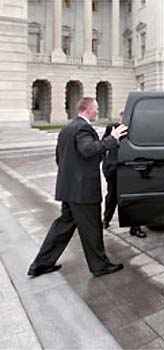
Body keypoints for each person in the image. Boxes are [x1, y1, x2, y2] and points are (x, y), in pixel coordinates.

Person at [27, 97, 128, 278]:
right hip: (83, 191)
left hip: (69, 189)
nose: (97, 112)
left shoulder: (68, 128)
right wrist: (112, 138)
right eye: (96, 108)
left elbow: (59, 157)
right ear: (88, 109)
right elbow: (88, 150)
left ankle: (40, 264)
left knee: (62, 227)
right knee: (91, 228)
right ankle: (100, 266)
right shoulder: (82, 128)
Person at [102, 110, 146, 238]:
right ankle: (106, 220)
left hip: (129, 168)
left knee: (132, 198)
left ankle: (135, 227)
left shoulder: (136, 130)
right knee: (112, 197)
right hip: (113, 168)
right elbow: (103, 146)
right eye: (122, 117)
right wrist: (106, 166)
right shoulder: (112, 128)